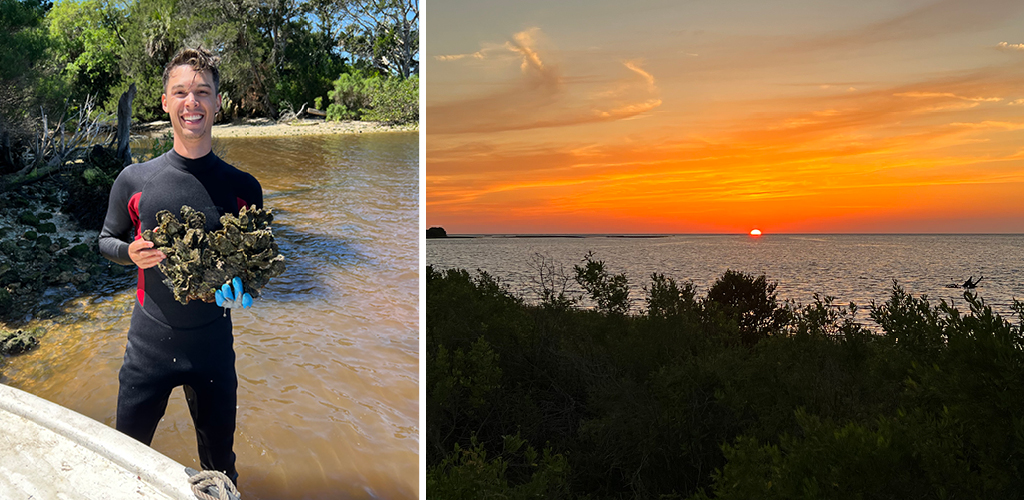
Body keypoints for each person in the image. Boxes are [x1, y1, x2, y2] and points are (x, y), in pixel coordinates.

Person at [98, 46, 261, 484]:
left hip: (213, 351)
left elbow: (254, 264)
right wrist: (127, 252)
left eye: (203, 92)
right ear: (166, 101)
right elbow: (105, 240)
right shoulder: (134, 180)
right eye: (182, 92)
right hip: (147, 350)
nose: (193, 102)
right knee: (123, 463)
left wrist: (243, 288)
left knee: (221, 471)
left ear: (218, 102)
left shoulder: (243, 188)